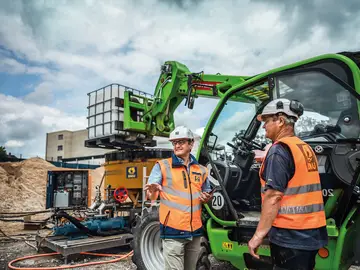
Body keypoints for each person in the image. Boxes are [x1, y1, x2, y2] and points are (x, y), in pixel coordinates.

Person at [248, 98, 328, 270]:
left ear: (280, 121)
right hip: (311, 233)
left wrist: (258, 235)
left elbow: (273, 196)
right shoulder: (304, 148)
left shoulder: (279, 150)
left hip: (290, 235)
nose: (264, 126)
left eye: (267, 121)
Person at [144, 125, 213, 270]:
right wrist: (152, 190)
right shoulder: (162, 166)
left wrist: (207, 198)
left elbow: (207, 194)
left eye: (181, 141)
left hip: (194, 231)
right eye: (174, 142)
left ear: (191, 143)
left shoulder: (201, 170)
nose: (177, 145)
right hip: (173, 231)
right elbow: (151, 195)